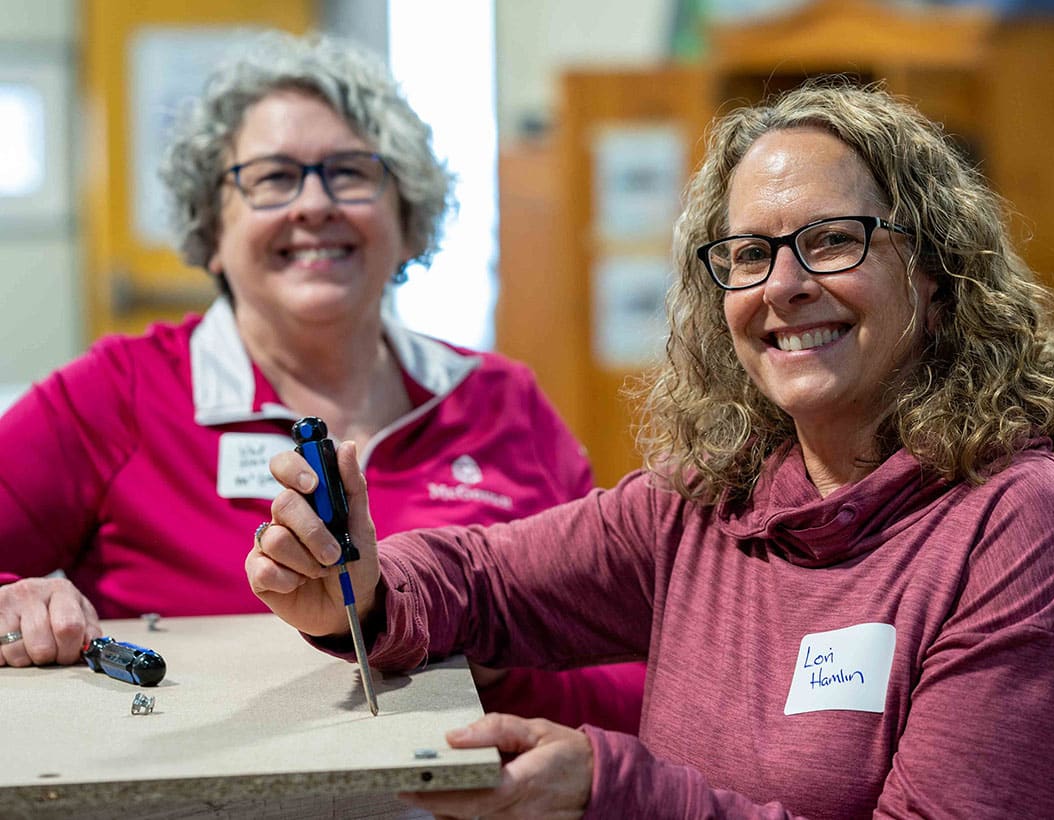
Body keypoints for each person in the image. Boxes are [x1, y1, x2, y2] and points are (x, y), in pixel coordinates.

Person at [248, 80, 1054, 818]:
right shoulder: (715, 503)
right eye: (748, 255)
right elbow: (484, 578)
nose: (783, 286)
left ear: (936, 275)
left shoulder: (1020, 528)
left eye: (830, 241)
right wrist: (358, 589)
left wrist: (615, 790)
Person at [0, 31, 643, 734]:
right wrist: (16, 607)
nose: (314, 204)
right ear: (210, 226)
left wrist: (500, 664)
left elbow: (627, 667)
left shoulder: (501, 403)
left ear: (409, 221)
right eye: (273, 178)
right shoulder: (115, 395)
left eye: (350, 173)